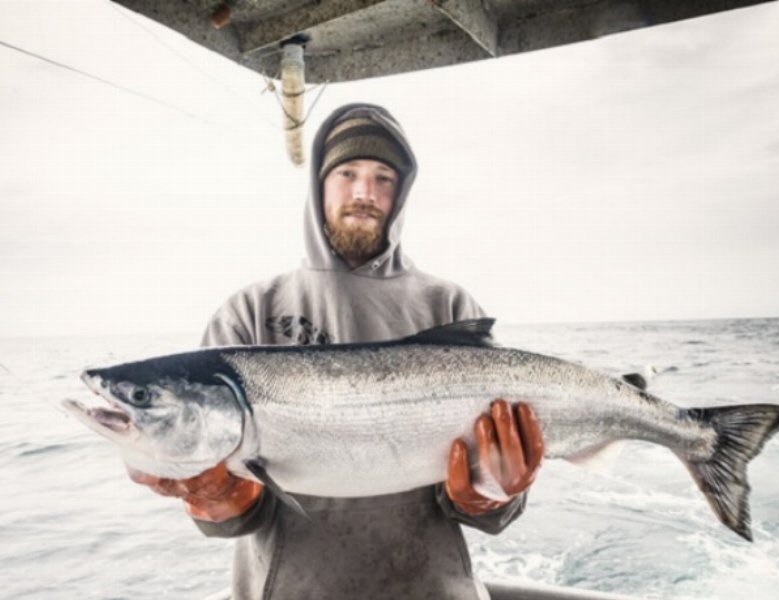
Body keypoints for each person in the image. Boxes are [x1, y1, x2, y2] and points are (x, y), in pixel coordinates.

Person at [130, 103, 544, 599]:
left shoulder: (449, 306)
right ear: (319, 185)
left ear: (402, 193)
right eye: (347, 173)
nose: (365, 192)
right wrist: (217, 498)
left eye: (383, 177)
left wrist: (492, 492)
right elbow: (238, 515)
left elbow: (487, 506)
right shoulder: (251, 311)